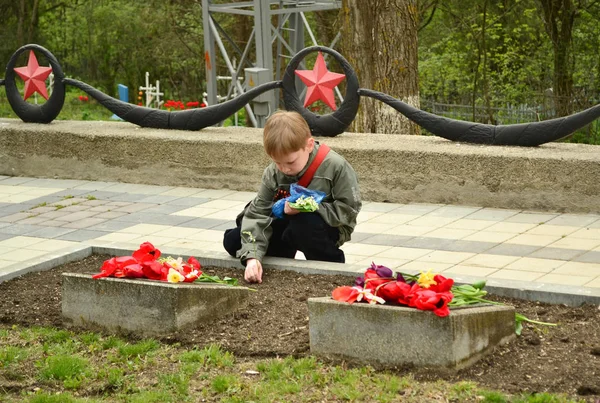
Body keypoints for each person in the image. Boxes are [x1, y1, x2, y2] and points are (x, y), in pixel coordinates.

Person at [223, 110, 361, 283]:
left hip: (324, 226)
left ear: (309, 145)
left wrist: (310, 207)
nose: (284, 169)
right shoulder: (273, 173)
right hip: (286, 221)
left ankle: (330, 264)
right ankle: (279, 259)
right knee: (234, 240)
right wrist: (252, 257)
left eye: (290, 162)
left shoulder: (336, 166)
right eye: (277, 162)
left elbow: (349, 210)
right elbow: (258, 213)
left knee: (301, 226)